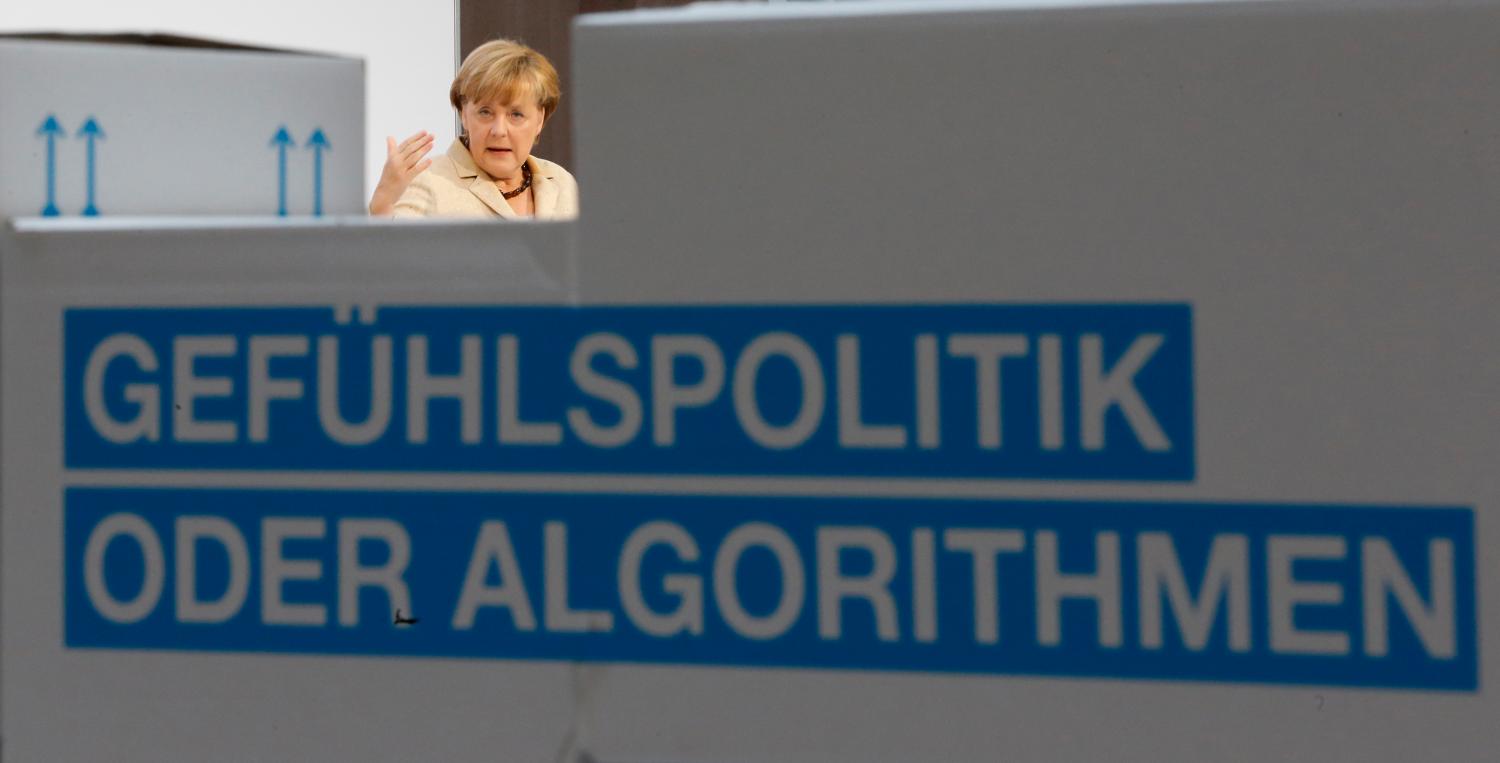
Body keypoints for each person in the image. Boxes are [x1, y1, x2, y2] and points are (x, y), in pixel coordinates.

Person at [369, 39, 578, 220]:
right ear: (464, 114)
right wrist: (383, 207)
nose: (499, 131)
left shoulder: (562, 182)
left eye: (516, 115)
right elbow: (392, 260)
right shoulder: (428, 183)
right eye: (485, 112)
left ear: (539, 119)